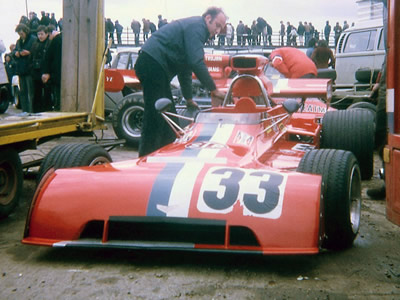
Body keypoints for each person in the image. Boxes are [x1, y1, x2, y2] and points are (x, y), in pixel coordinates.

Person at [134, 7, 226, 157]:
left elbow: (186, 69)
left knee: (167, 116)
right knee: (155, 114)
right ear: (208, 18)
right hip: (153, 63)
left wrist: (189, 98)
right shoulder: (198, 27)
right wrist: (213, 89)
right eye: (217, 25)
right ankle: (145, 159)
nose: (217, 31)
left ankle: (166, 155)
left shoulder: (193, 31)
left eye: (221, 28)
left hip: (154, 65)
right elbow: (196, 62)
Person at [13, 23, 36, 113]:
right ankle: (25, 111)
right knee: (22, 92)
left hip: (29, 69)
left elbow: (36, 51)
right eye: (19, 34)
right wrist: (16, 53)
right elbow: (14, 51)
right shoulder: (18, 42)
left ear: (25, 31)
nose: (20, 35)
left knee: (31, 92)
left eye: (21, 33)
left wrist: (29, 53)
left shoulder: (33, 39)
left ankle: (31, 111)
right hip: (21, 70)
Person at [30, 25, 51, 112]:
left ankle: (47, 110)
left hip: (46, 71)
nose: (40, 36)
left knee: (47, 94)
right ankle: (36, 112)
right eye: (38, 34)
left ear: (46, 34)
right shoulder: (35, 44)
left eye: (42, 34)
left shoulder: (49, 43)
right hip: (36, 72)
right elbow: (31, 57)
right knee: (36, 94)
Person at [42, 27, 62, 111]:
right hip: (60, 73)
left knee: (57, 98)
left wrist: (47, 72)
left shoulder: (55, 41)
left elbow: (49, 58)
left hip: (56, 75)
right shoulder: (60, 39)